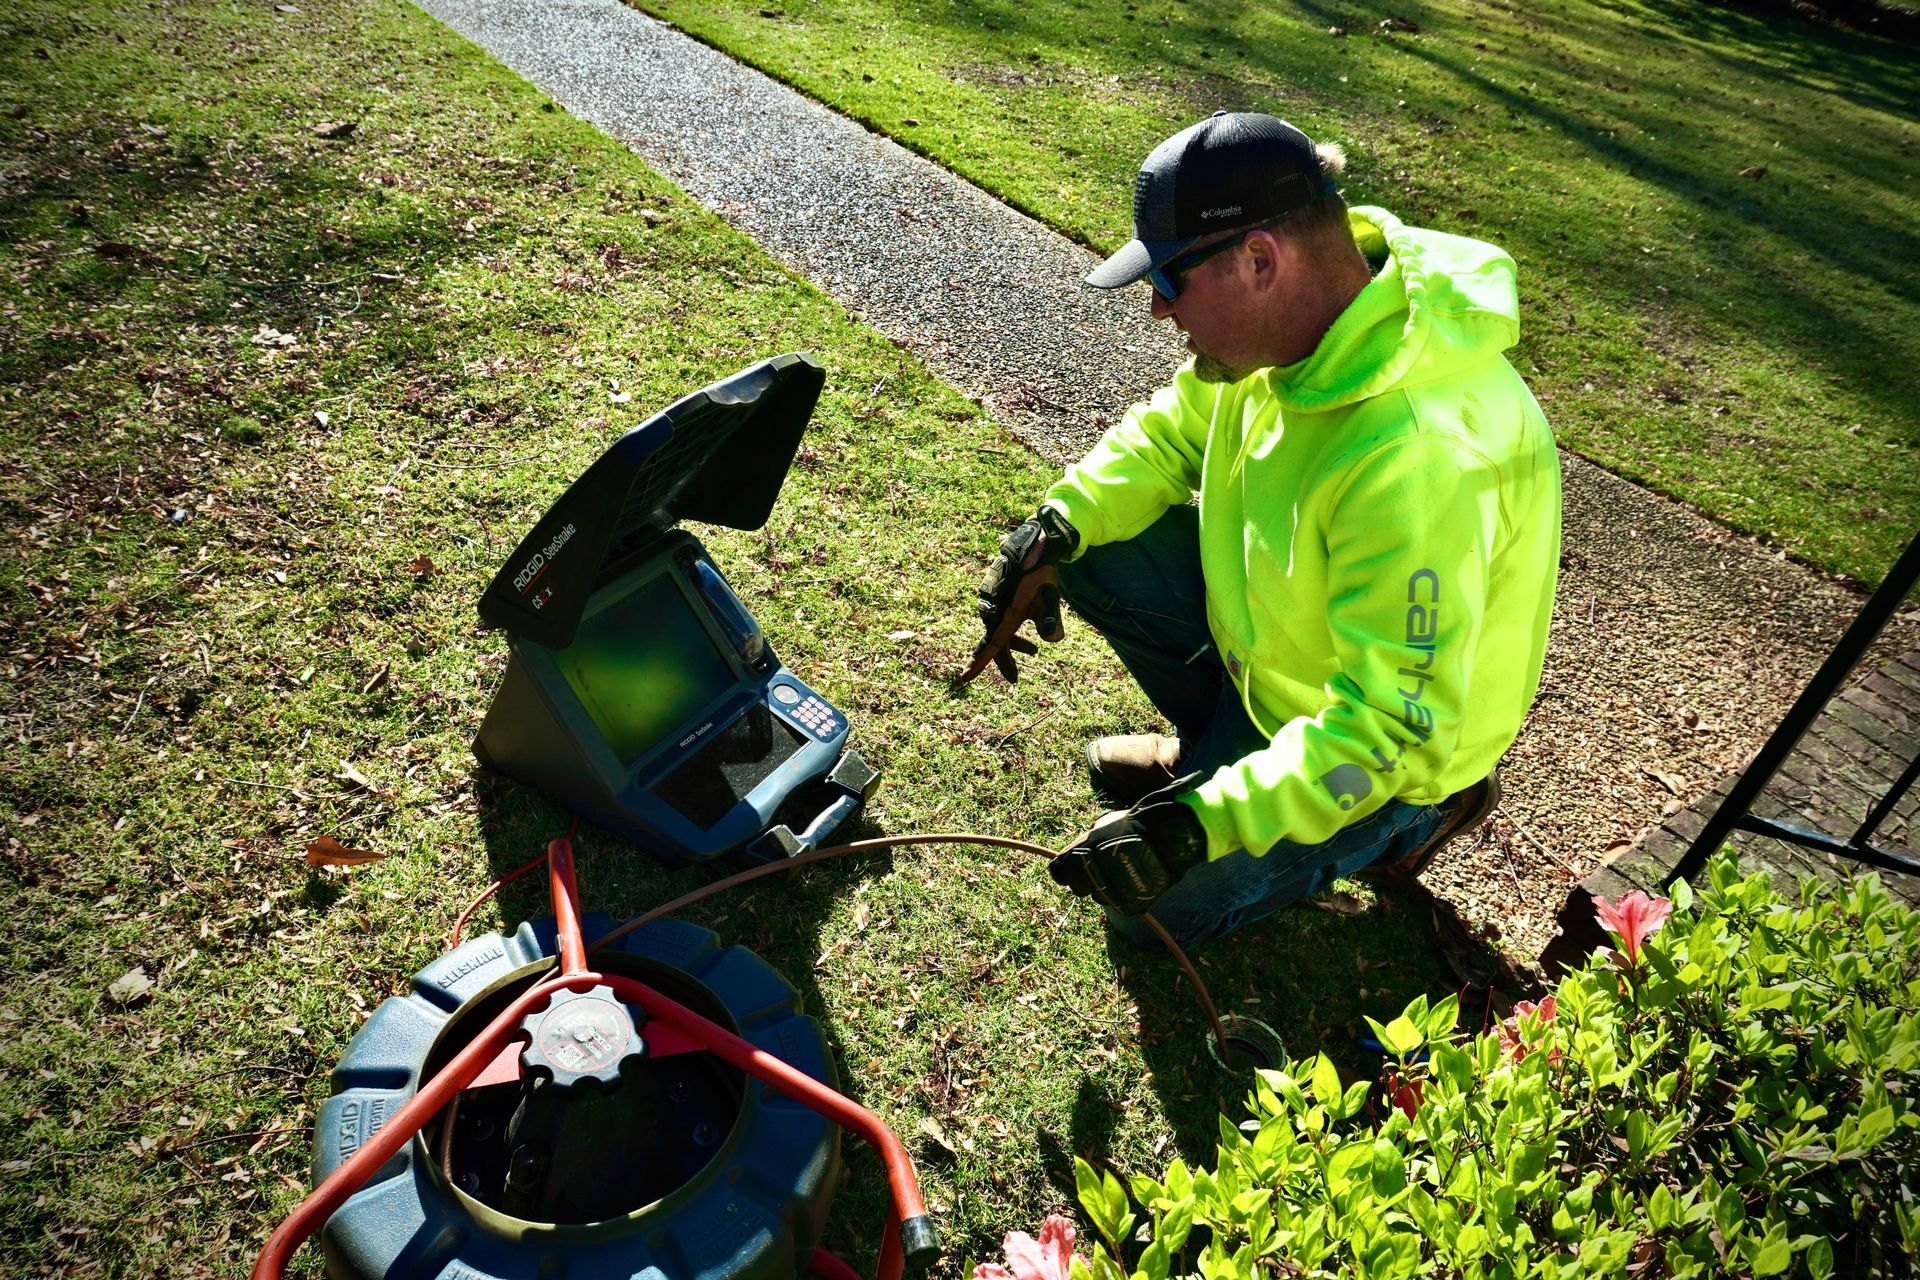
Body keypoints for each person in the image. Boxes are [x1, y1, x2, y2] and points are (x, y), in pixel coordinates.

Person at [961, 111, 1562, 951]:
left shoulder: (1420, 456)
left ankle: (1414, 820)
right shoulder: (1291, 337)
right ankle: (1218, 747)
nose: (1164, 314)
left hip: (1379, 758)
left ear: (1259, 260)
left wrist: (1195, 827)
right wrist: (1055, 530)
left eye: (1170, 283)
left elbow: (1383, 735)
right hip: (1285, 674)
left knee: (1148, 918)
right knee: (1092, 547)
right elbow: (1174, 430)